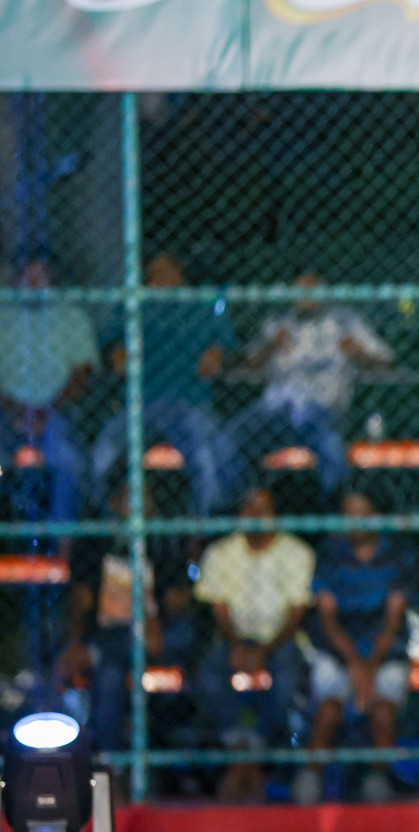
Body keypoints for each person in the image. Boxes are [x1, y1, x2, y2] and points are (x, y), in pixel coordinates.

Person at [91, 251, 240, 516]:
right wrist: (115, 352)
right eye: (155, 273)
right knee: (104, 455)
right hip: (140, 404)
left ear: (179, 273)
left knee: (208, 459)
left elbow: (227, 350)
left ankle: (202, 536)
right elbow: (107, 344)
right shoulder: (135, 306)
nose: (162, 278)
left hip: (187, 403)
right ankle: (110, 531)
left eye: (167, 271)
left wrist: (218, 353)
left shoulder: (200, 306)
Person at [293, 489, 417, 805]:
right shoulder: (329, 554)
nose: (356, 522)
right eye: (349, 514)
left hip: (385, 651)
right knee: (329, 707)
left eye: (363, 513)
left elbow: (393, 621)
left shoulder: (398, 553)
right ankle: (311, 777)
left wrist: (370, 667)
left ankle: (378, 779)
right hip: (337, 650)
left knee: (383, 711)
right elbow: (328, 619)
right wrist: (355, 665)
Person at [56, 481, 197, 752]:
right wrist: (75, 640)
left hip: (161, 632)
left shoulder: (164, 541)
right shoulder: (95, 542)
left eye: (146, 500)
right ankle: (114, 764)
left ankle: (95, 652)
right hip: (112, 635)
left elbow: (178, 603)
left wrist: (155, 615)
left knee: (171, 642)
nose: (139, 508)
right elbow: (81, 601)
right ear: (113, 503)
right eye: (130, 498)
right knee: (109, 676)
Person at [194, 486, 314, 801]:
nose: (256, 516)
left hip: (280, 638)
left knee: (287, 676)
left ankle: (254, 747)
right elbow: (219, 610)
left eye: (264, 508)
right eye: (250, 508)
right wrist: (237, 646)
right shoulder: (220, 552)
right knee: (209, 674)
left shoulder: (297, 552)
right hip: (234, 635)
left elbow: (295, 614)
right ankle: (239, 742)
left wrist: (264, 650)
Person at [229, 271, 391, 493]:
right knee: (229, 440)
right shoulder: (278, 321)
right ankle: (243, 506)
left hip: (322, 410)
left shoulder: (344, 321)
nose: (304, 296)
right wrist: (271, 346)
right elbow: (249, 364)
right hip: (276, 411)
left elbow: (384, 360)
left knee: (331, 448)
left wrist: (358, 352)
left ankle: (335, 513)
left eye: (310, 289)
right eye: (299, 290)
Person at [0, 255, 98, 521]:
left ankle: (62, 550)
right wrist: (16, 411)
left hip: (57, 414)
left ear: (51, 280)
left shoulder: (72, 316)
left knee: (68, 462)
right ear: (16, 280)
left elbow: (82, 374)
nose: (33, 284)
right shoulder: (3, 314)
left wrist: (46, 412)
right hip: (7, 414)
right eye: (27, 277)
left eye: (39, 277)